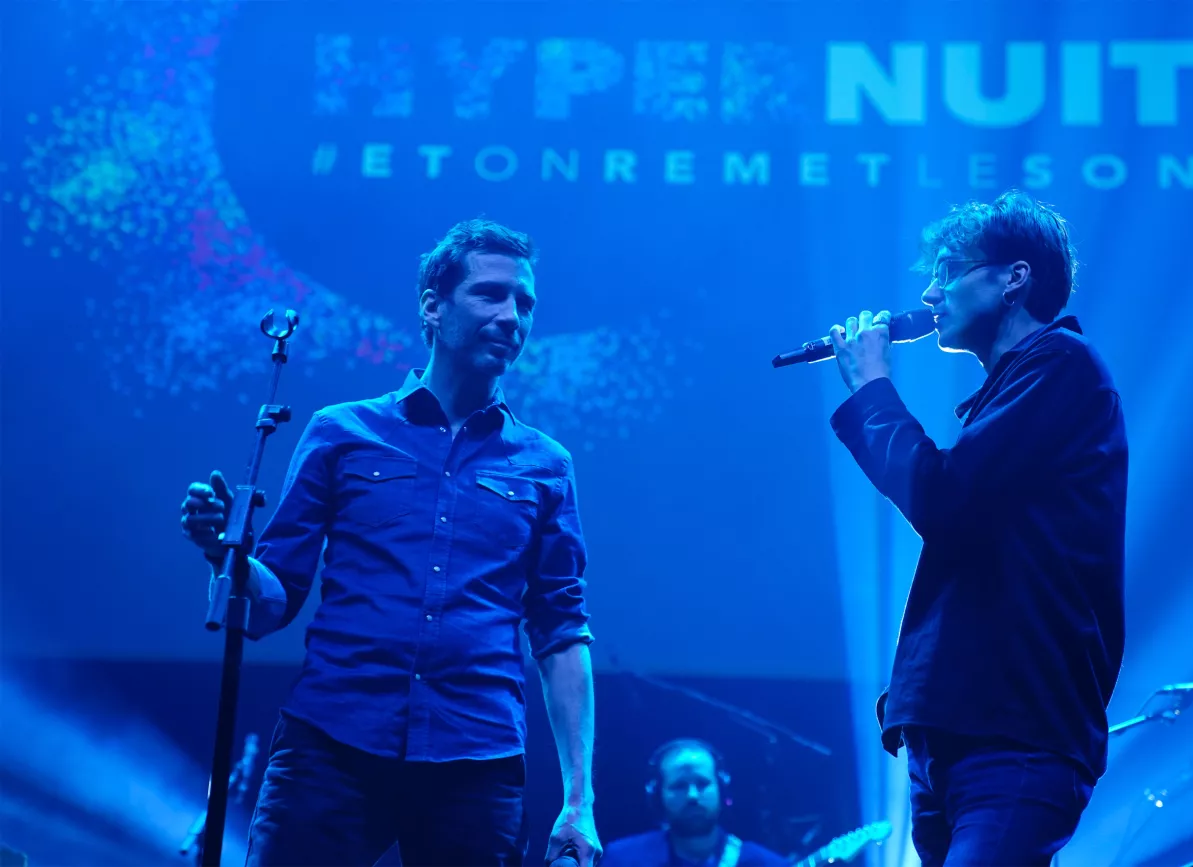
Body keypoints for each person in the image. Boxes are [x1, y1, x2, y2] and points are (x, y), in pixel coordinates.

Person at [180, 218, 601, 867]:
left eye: (525, 303)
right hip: (331, 744)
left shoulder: (546, 465)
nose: (511, 316)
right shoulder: (341, 433)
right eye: (491, 294)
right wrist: (224, 556)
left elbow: (561, 633)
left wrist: (579, 801)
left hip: (476, 759)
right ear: (433, 306)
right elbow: (270, 603)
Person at [826, 190, 1127, 866]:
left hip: (1016, 732)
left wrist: (872, 389)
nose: (929, 293)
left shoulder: (1063, 366)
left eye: (948, 270)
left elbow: (943, 499)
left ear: (1014, 277)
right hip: (959, 728)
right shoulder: (1013, 390)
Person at [600, 739, 788, 867]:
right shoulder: (622, 859)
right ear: (658, 796)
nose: (692, 796)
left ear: (721, 790)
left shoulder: (766, 863)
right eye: (679, 786)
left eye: (702, 784)